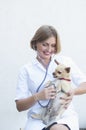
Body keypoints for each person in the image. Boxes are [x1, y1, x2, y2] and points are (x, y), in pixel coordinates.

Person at [15, 25, 86, 130]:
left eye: (53, 45)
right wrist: (38, 96)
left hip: (64, 117)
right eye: (45, 45)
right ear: (35, 43)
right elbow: (19, 106)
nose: (49, 49)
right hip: (38, 120)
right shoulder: (26, 70)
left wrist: (72, 91)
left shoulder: (65, 62)